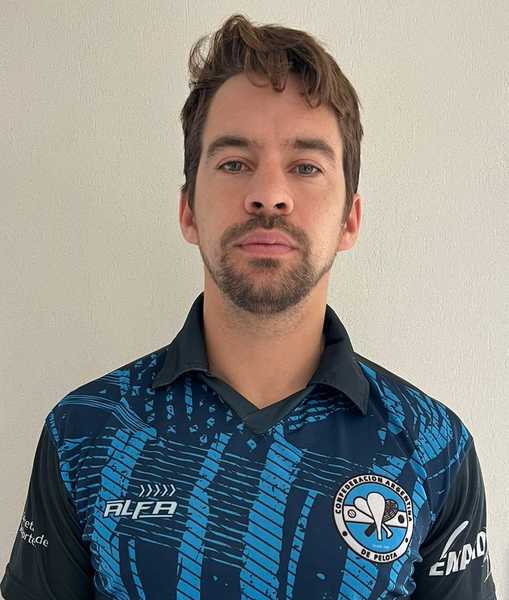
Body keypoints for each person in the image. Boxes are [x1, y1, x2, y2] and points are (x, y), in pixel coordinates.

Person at [1, 13, 497, 600]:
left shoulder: (434, 447)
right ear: (188, 210)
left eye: (306, 167)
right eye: (235, 163)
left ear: (350, 219)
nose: (269, 195)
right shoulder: (85, 431)